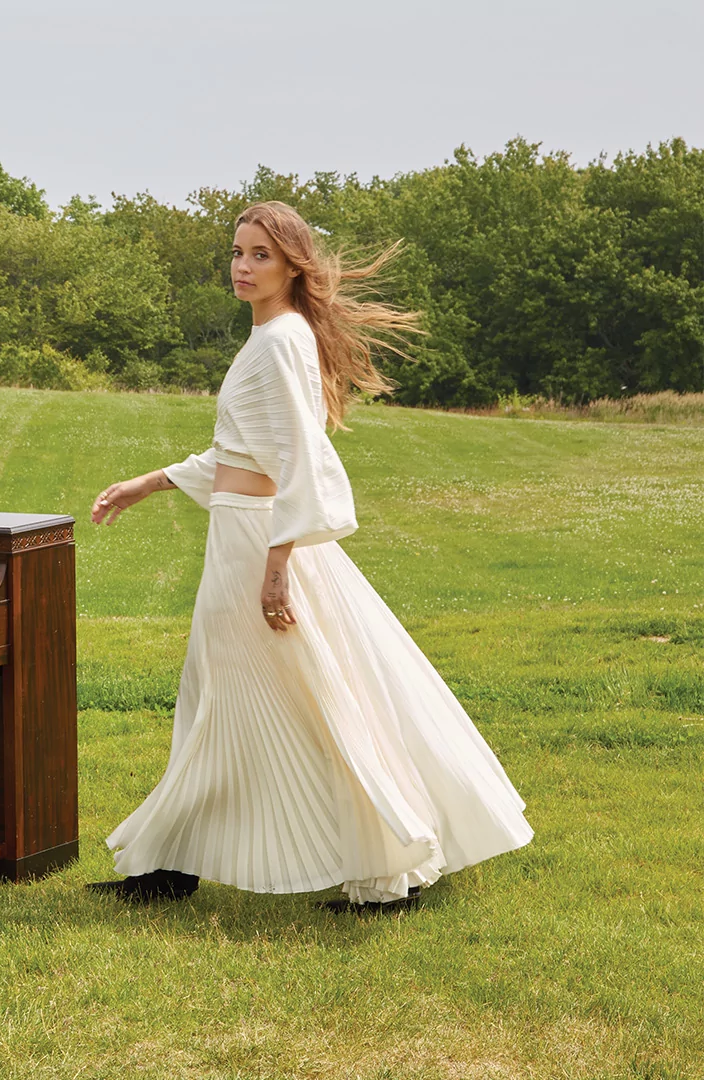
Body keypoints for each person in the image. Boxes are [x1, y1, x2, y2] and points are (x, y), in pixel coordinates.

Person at [86, 201, 533, 912]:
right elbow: (243, 450)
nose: (242, 266)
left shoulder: (282, 341)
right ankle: (170, 862)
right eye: (236, 252)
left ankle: (388, 870)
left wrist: (275, 567)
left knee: (310, 699)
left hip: (260, 543)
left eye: (259, 254)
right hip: (241, 534)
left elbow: (300, 460)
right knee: (217, 698)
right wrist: (151, 482)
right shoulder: (269, 339)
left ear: (293, 264)